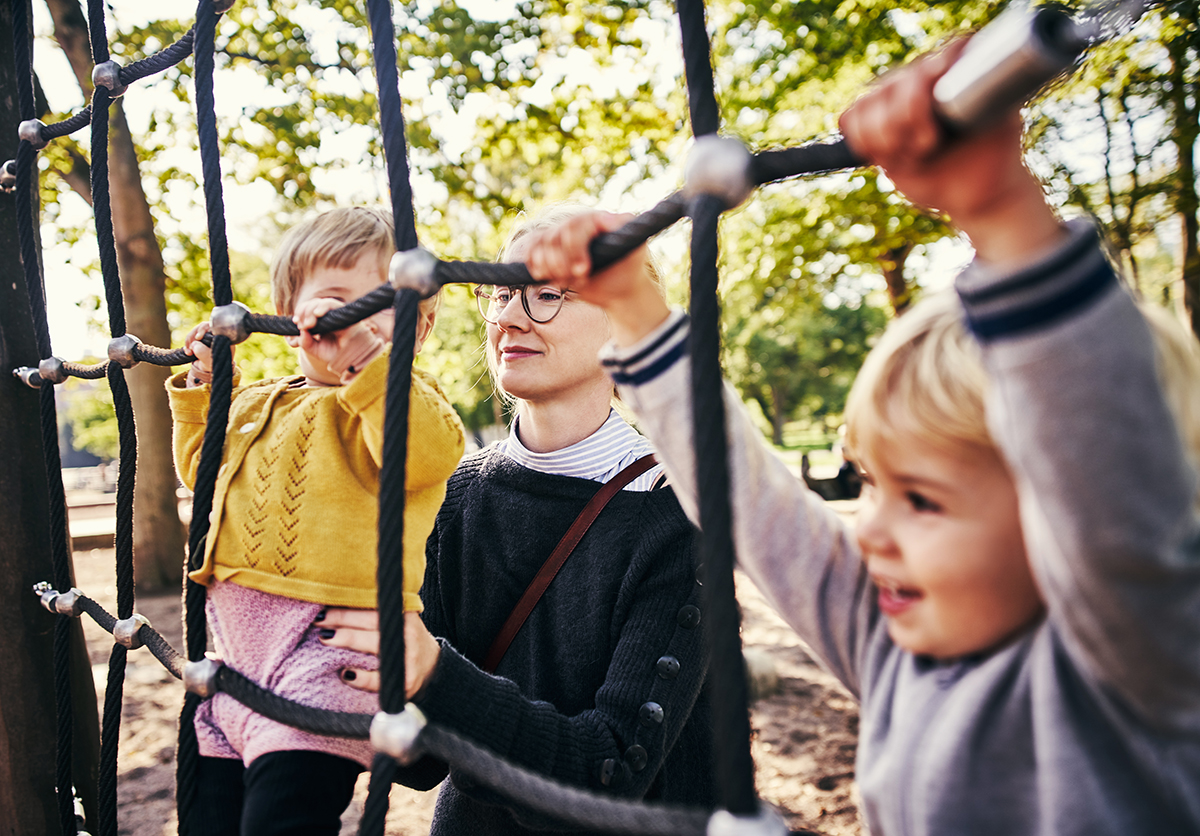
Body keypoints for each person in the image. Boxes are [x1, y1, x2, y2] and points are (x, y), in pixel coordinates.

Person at [520, 42, 1200, 834]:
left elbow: (1111, 487)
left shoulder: (1140, 670)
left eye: (923, 499)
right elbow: (755, 506)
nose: (869, 526)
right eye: (871, 482)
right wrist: (635, 311)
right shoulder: (896, 646)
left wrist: (1004, 215)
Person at [318, 205, 717, 833]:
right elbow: (421, 763)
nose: (506, 317)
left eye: (546, 295)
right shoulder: (455, 494)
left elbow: (611, 772)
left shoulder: (677, 517)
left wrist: (433, 673)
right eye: (501, 293)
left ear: (624, 319)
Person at [168, 206, 465, 836]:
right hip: (231, 666)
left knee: (282, 822)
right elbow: (202, 471)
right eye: (336, 300)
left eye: (380, 305)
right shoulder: (258, 400)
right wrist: (205, 388)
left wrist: (366, 365)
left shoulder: (404, 402)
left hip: (322, 664)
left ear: (421, 323)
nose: (355, 319)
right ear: (288, 311)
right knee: (207, 821)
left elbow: (426, 454)